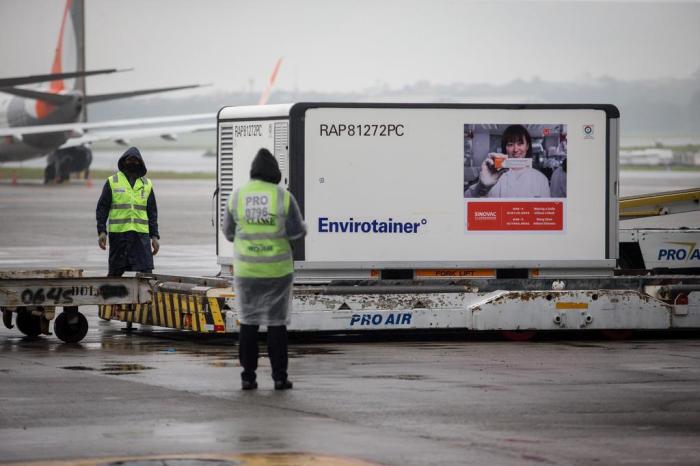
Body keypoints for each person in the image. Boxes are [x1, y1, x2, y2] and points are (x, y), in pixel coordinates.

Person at [223, 148, 307, 391]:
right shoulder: (283, 197)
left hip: (247, 272)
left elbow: (228, 233)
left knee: (248, 324)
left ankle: (248, 377)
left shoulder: (237, 196)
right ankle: (280, 377)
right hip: (277, 273)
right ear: (275, 173)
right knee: (276, 325)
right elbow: (296, 232)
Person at [96, 147, 159, 277]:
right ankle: (111, 296)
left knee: (146, 273)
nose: (132, 163)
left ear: (140, 163)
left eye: (136, 161)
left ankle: (147, 297)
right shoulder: (113, 182)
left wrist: (154, 236)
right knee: (114, 273)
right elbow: (102, 208)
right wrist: (102, 231)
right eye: (130, 160)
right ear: (124, 162)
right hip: (119, 236)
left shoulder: (146, 184)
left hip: (140, 237)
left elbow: (152, 213)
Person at [464, 124, 551, 198]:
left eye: (520, 144)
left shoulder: (541, 179)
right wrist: (482, 187)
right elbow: (466, 199)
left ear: (527, 146)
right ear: (505, 148)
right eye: (510, 144)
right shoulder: (493, 174)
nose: (516, 149)